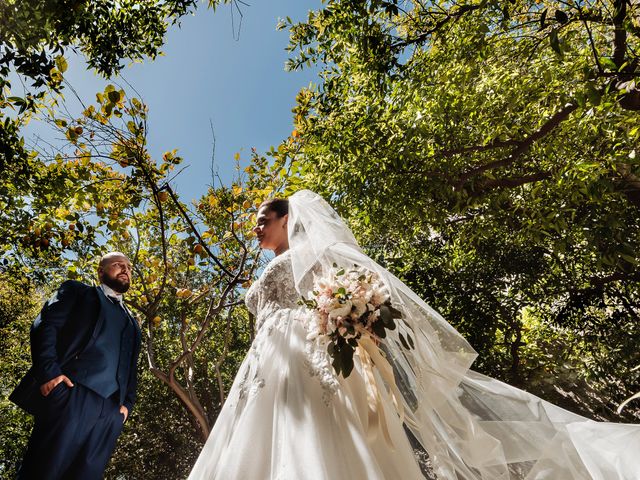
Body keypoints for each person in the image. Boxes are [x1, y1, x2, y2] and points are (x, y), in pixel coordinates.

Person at [188, 190, 640, 480]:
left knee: (313, 442)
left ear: (288, 219)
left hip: (303, 353)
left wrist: (351, 318)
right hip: (264, 363)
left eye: (264, 219)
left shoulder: (313, 254)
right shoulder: (270, 266)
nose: (257, 227)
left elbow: (354, 293)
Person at [10, 252, 142, 480]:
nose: (125, 269)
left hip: (110, 414)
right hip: (70, 396)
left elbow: (131, 370)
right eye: (118, 264)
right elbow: (45, 326)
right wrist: (50, 374)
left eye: (129, 267)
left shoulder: (133, 323)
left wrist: (126, 406)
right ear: (101, 271)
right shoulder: (78, 292)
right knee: (41, 473)